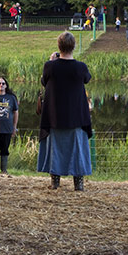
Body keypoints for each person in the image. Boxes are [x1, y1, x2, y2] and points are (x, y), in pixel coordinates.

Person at [37, 32, 92, 191]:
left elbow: (44, 81)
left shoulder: (50, 66)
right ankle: (78, 183)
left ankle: (55, 182)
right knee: (77, 150)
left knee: (55, 149)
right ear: (73, 46)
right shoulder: (80, 67)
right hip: (76, 116)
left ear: (58, 47)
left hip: (54, 116)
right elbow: (87, 79)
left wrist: (51, 61)